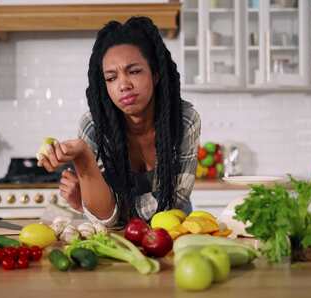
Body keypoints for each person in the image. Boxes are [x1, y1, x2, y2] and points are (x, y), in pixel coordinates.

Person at [37, 16, 201, 228]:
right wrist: (83, 158)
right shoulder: (93, 127)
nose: (123, 85)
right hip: (119, 239)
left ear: (156, 74)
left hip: (175, 233)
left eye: (133, 71)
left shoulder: (184, 119)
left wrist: (91, 204)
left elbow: (175, 199)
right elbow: (105, 217)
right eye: (111, 78)